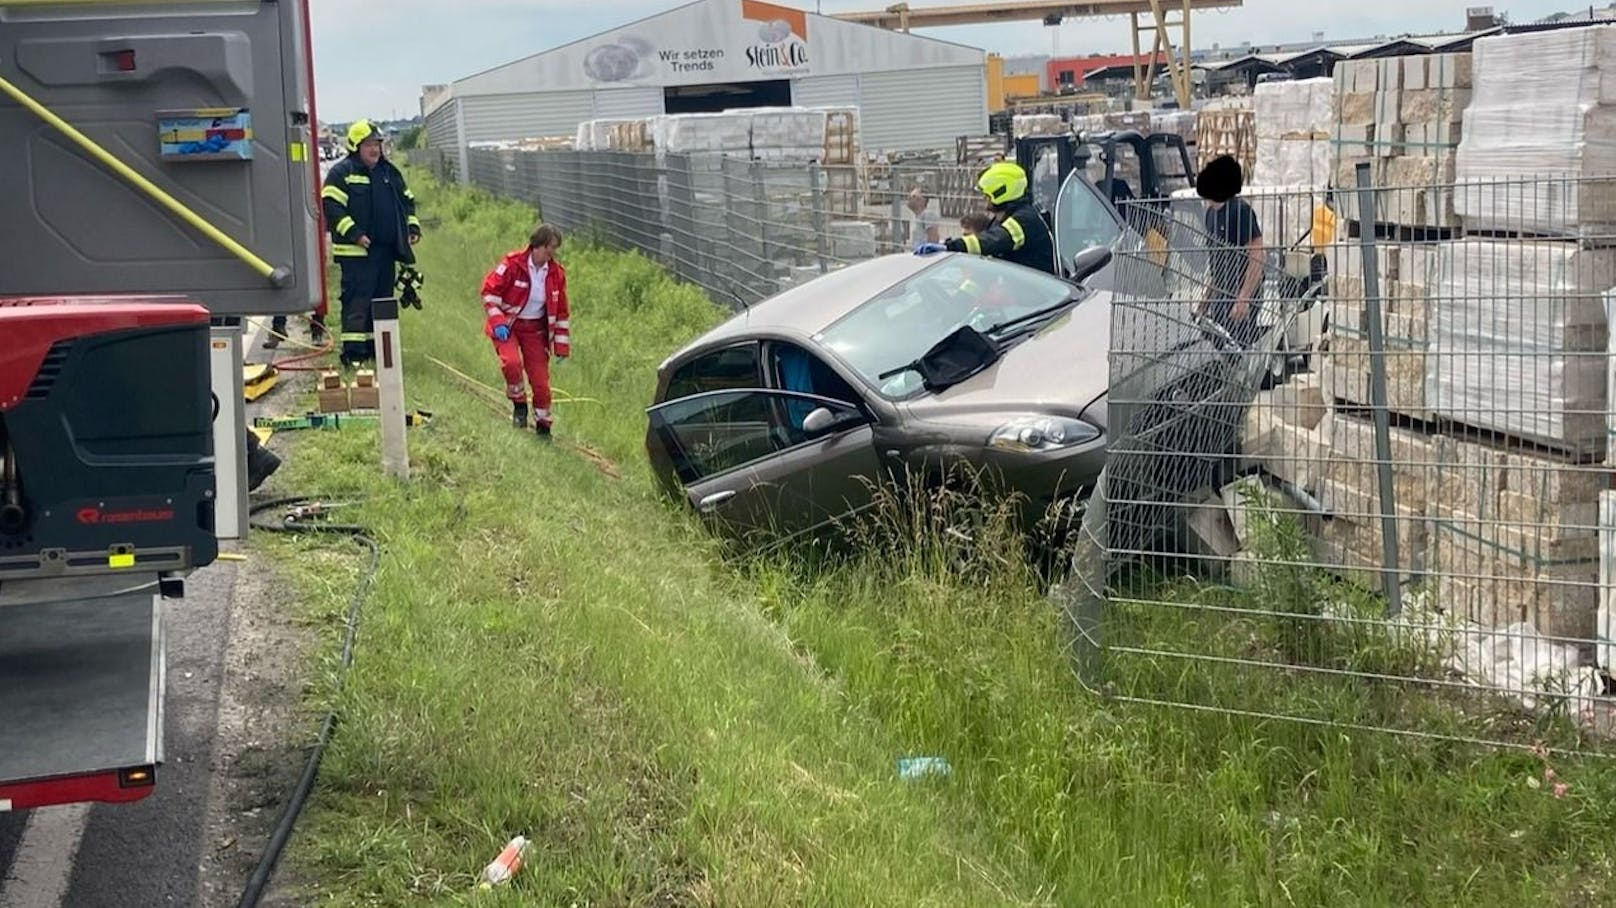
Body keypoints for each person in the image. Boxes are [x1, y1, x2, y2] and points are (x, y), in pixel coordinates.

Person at [320, 119, 422, 366]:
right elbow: (332, 207)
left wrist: (411, 226)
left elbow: (407, 201)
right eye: (368, 144)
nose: (375, 149)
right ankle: (354, 353)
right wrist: (355, 233)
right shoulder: (343, 173)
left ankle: (379, 349)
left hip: (385, 251)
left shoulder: (389, 172)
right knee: (357, 300)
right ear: (356, 146)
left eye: (377, 143)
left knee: (382, 301)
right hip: (356, 252)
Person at [479, 224, 572, 439]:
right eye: (549, 249)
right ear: (537, 245)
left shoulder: (556, 275)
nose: (551, 255)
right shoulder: (512, 264)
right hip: (508, 326)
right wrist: (498, 321)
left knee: (541, 383)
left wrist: (561, 347)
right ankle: (519, 404)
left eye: (554, 251)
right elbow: (489, 292)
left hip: (535, 332)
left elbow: (561, 313)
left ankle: (543, 425)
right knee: (511, 364)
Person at [914, 161, 1056, 276]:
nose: (983, 199)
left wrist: (949, 246)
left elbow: (993, 241)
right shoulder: (1002, 220)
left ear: (1000, 192)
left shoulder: (1024, 220)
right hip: (1017, 289)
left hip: (1037, 299)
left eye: (986, 195)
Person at [1194, 154, 1265, 346]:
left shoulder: (1240, 211)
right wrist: (1205, 302)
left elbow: (1257, 254)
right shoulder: (1210, 215)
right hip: (1221, 295)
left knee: (1237, 347)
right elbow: (1217, 264)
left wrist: (1244, 298)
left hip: (1240, 294)